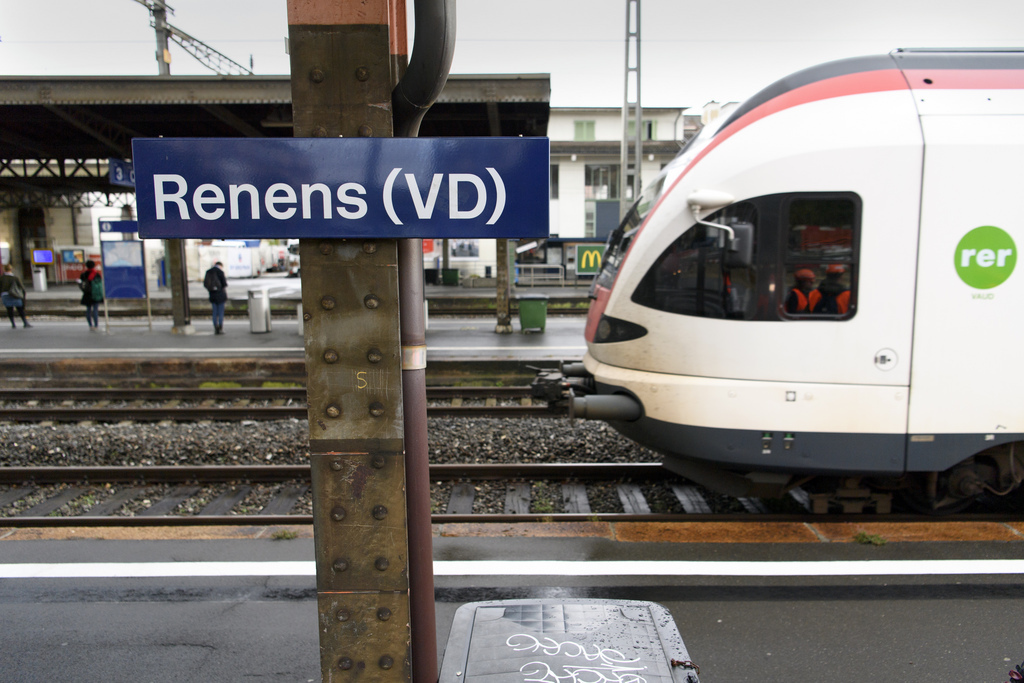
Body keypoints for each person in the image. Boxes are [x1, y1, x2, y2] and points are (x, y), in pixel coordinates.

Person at [0, 264, 31, 329]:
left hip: (5, 295)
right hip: (15, 295)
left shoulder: (1, 278)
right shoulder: (15, 278)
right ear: (11, 269)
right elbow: (22, 287)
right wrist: (23, 296)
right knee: (20, 309)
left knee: (9, 310)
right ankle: (25, 323)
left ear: (4, 270)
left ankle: (13, 324)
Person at [204, 261, 228, 334]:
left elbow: (205, 284)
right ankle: (220, 327)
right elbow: (224, 284)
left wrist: (211, 290)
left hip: (212, 295)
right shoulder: (220, 272)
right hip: (220, 295)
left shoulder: (208, 272)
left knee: (214, 312)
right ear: (220, 266)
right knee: (220, 312)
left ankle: (215, 327)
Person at [79, 260, 103, 330]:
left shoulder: (83, 274)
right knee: (95, 310)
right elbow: (100, 284)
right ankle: (96, 325)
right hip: (96, 294)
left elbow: (81, 284)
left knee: (88, 310)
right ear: (94, 266)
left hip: (87, 294)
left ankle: (90, 325)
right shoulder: (97, 274)